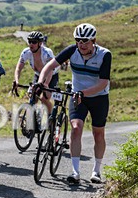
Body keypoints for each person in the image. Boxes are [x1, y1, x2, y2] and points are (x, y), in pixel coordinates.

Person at [37, 23, 111, 185]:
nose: (81, 44)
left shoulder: (104, 55)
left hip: (98, 97)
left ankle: (96, 170)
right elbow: (49, 66)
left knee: (98, 133)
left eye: (85, 41)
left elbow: (103, 83)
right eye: (78, 40)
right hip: (77, 96)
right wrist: (40, 82)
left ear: (94, 40)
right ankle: (75, 171)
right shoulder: (72, 51)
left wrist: (84, 93)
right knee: (76, 129)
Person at [13, 31, 60, 115]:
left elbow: (51, 69)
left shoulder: (47, 52)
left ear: (40, 43)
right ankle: (34, 119)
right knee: (32, 96)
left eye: (34, 42)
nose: (31, 44)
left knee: (44, 99)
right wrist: (16, 81)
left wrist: (46, 84)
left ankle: (50, 118)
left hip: (51, 75)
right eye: (29, 41)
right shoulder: (26, 52)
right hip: (38, 75)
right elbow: (18, 68)